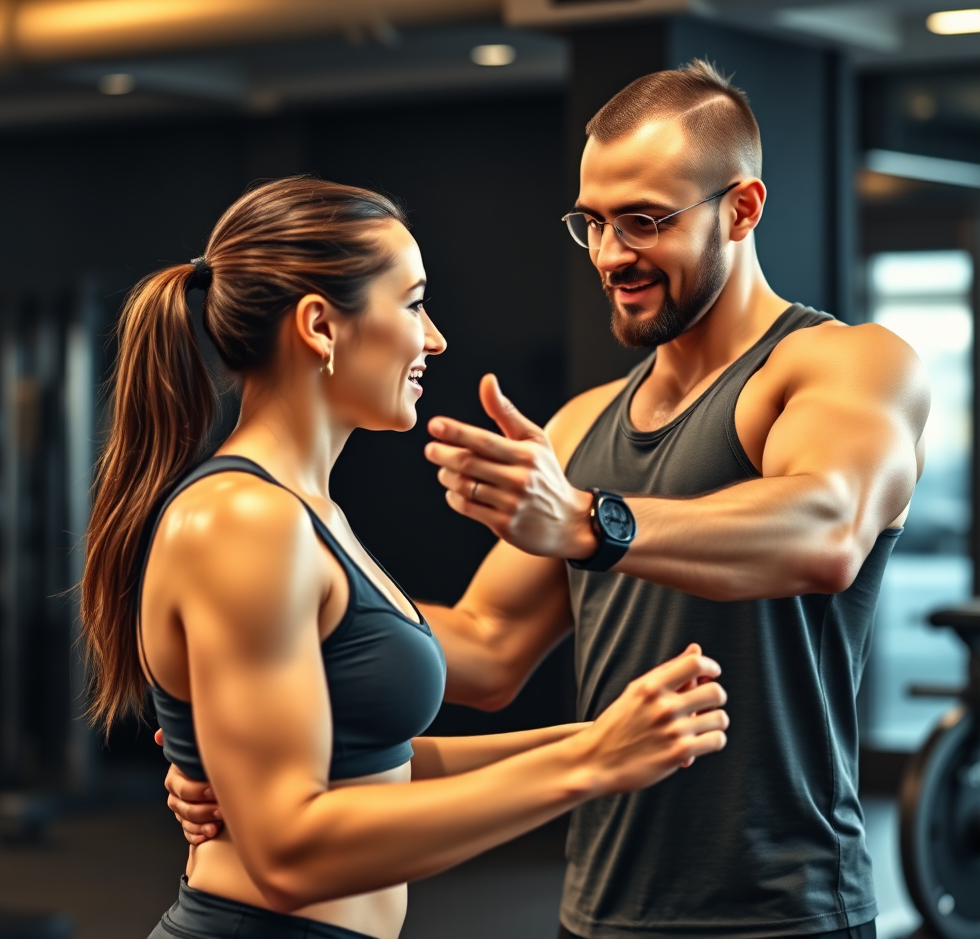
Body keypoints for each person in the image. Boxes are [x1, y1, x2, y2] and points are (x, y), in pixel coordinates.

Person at [169, 62, 930, 939]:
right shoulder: (580, 427)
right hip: (597, 909)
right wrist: (240, 716)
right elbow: (487, 652)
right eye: (593, 222)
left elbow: (825, 532)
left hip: (780, 911)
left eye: (645, 221)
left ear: (743, 207)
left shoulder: (846, 366)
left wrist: (585, 521)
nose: (611, 255)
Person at [80, 176, 729, 939]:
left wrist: (609, 739)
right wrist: (589, 763)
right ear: (321, 326)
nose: (435, 339)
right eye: (413, 304)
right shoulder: (243, 519)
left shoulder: (309, 514)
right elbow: (289, 853)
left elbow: (377, 769)